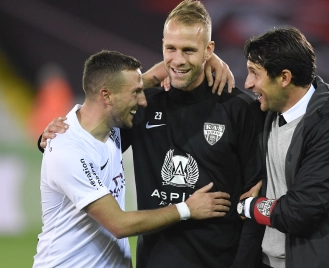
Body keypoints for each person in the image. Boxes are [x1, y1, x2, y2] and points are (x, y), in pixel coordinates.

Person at [40, 0, 265, 268]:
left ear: (209, 50)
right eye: (171, 48)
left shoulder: (240, 109)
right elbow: (91, 132)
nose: (178, 59)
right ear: (162, 46)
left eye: (189, 50)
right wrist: (53, 136)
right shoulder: (143, 105)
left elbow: (253, 201)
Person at [33, 50, 232, 268]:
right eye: (136, 92)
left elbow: (159, 72)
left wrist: (207, 57)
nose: (144, 100)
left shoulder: (111, 126)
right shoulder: (69, 149)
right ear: (107, 96)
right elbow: (119, 224)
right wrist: (187, 209)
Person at [236, 26, 329, 267]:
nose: (248, 83)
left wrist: (247, 206)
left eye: (255, 73)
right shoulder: (268, 110)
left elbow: (298, 212)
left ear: (284, 78)